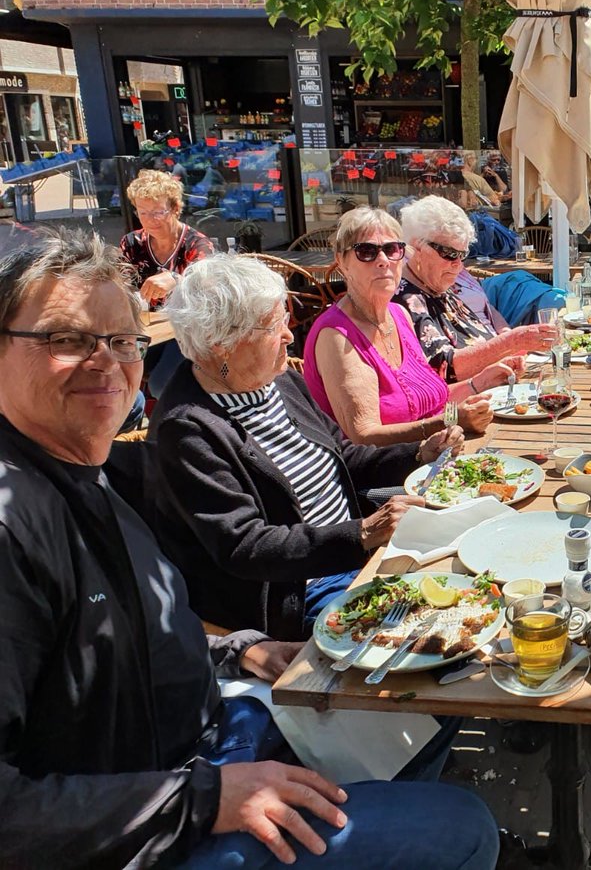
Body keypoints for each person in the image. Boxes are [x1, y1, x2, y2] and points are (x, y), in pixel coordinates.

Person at [0, 231, 499, 870]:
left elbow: (112, 638)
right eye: (66, 339)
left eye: (125, 341)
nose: (107, 362)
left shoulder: (81, 473)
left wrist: (238, 650)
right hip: (153, 817)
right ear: (223, 346)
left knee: (442, 682)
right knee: (462, 828)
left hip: (215, 732)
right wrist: (203, 799)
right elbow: (242, 546)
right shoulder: (18, 522)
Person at [150, 253, 464, 641]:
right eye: (273, 325)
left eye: (285, 318)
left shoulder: (278, 382)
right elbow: (245, 545)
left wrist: (418, 454)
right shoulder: (186, 429)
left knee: (473, 572)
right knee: (440, 633)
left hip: (362, 561)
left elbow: (344, 458)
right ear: (221, 345)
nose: (288, 334)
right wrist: (362, 532)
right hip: (302, 592)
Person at [305, 207, 500, 445]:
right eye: (366, 251)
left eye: (391, 249)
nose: (383, 261)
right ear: (342, 262)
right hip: (383, 475)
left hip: (436, 456)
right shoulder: (336, 336)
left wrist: (479, 382)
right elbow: (363, 436)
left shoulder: (399, 316)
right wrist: (452, 420)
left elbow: (429, 401)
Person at [395, 195, 554, 382]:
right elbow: (443, 368)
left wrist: (510, 350)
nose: (459, 265)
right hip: (464, 405)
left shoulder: (438, 286)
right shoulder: (404, 299)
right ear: (417, 247)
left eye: (463, 255)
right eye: (450, 254)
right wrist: (510, 342)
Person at [119, 168, 214, 306]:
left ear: (175, 208)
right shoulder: (131, 243)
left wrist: (177, 280)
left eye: (158, 212)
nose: (150, 220)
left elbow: (209, 288)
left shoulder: (197, 245)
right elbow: (121, 287)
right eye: (143, 213)